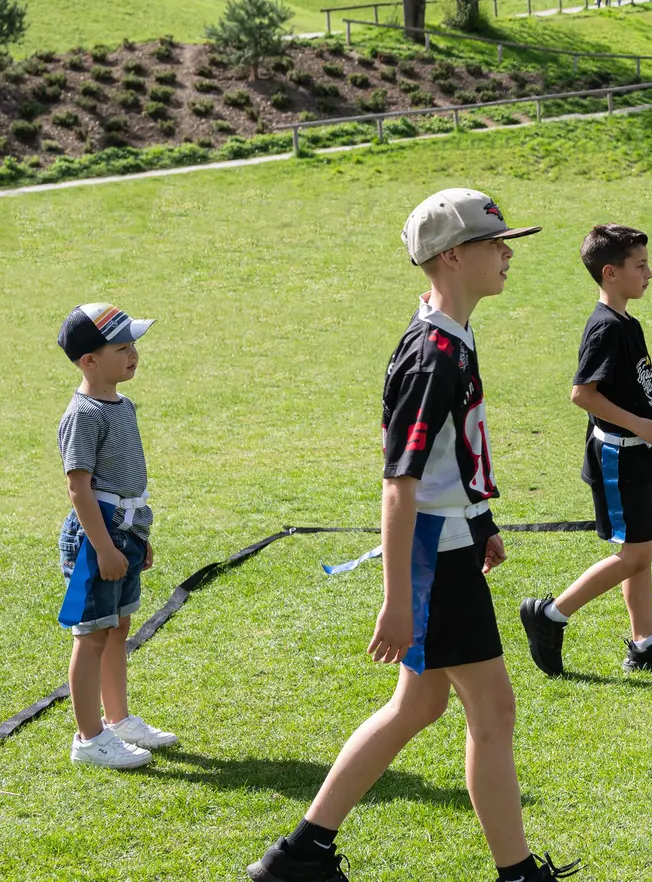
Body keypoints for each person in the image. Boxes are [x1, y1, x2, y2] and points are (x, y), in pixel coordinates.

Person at [248, 189, 579, 882]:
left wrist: (479, 518)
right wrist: (398, 600)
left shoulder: (449, 335)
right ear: (454, 256)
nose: (509, 252)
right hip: (434, 555)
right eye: (497, 243)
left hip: (450, 541)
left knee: (419, 703)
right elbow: (397, 484)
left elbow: (443, 461)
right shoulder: (435, 356)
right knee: (492, 708)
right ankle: (517, 873)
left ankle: (301, 853)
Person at [518, 225, 652, 678]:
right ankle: (551, 615)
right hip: (618, 457)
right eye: (640, 266)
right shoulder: (604, 328)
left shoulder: (627, 323)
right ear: (610, 272)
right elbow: (583, 394)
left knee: (639, 548)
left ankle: (645, 645)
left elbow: (634, 386)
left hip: (638, 452)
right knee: (635, 554)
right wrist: (641, 424)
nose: (650, 274)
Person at [55, 302, 178, 769]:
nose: (134, 355)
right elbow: (78, 488)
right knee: (92, 634)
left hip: (124, 534)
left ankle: (118, 719)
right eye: (122, 348)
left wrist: (135, 540)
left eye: (134, 346)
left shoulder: (121, 404)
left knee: (118, 626)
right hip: (96, 539)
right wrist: (104, 547)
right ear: (89, 360)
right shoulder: (84, 414)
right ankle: (89, 739)